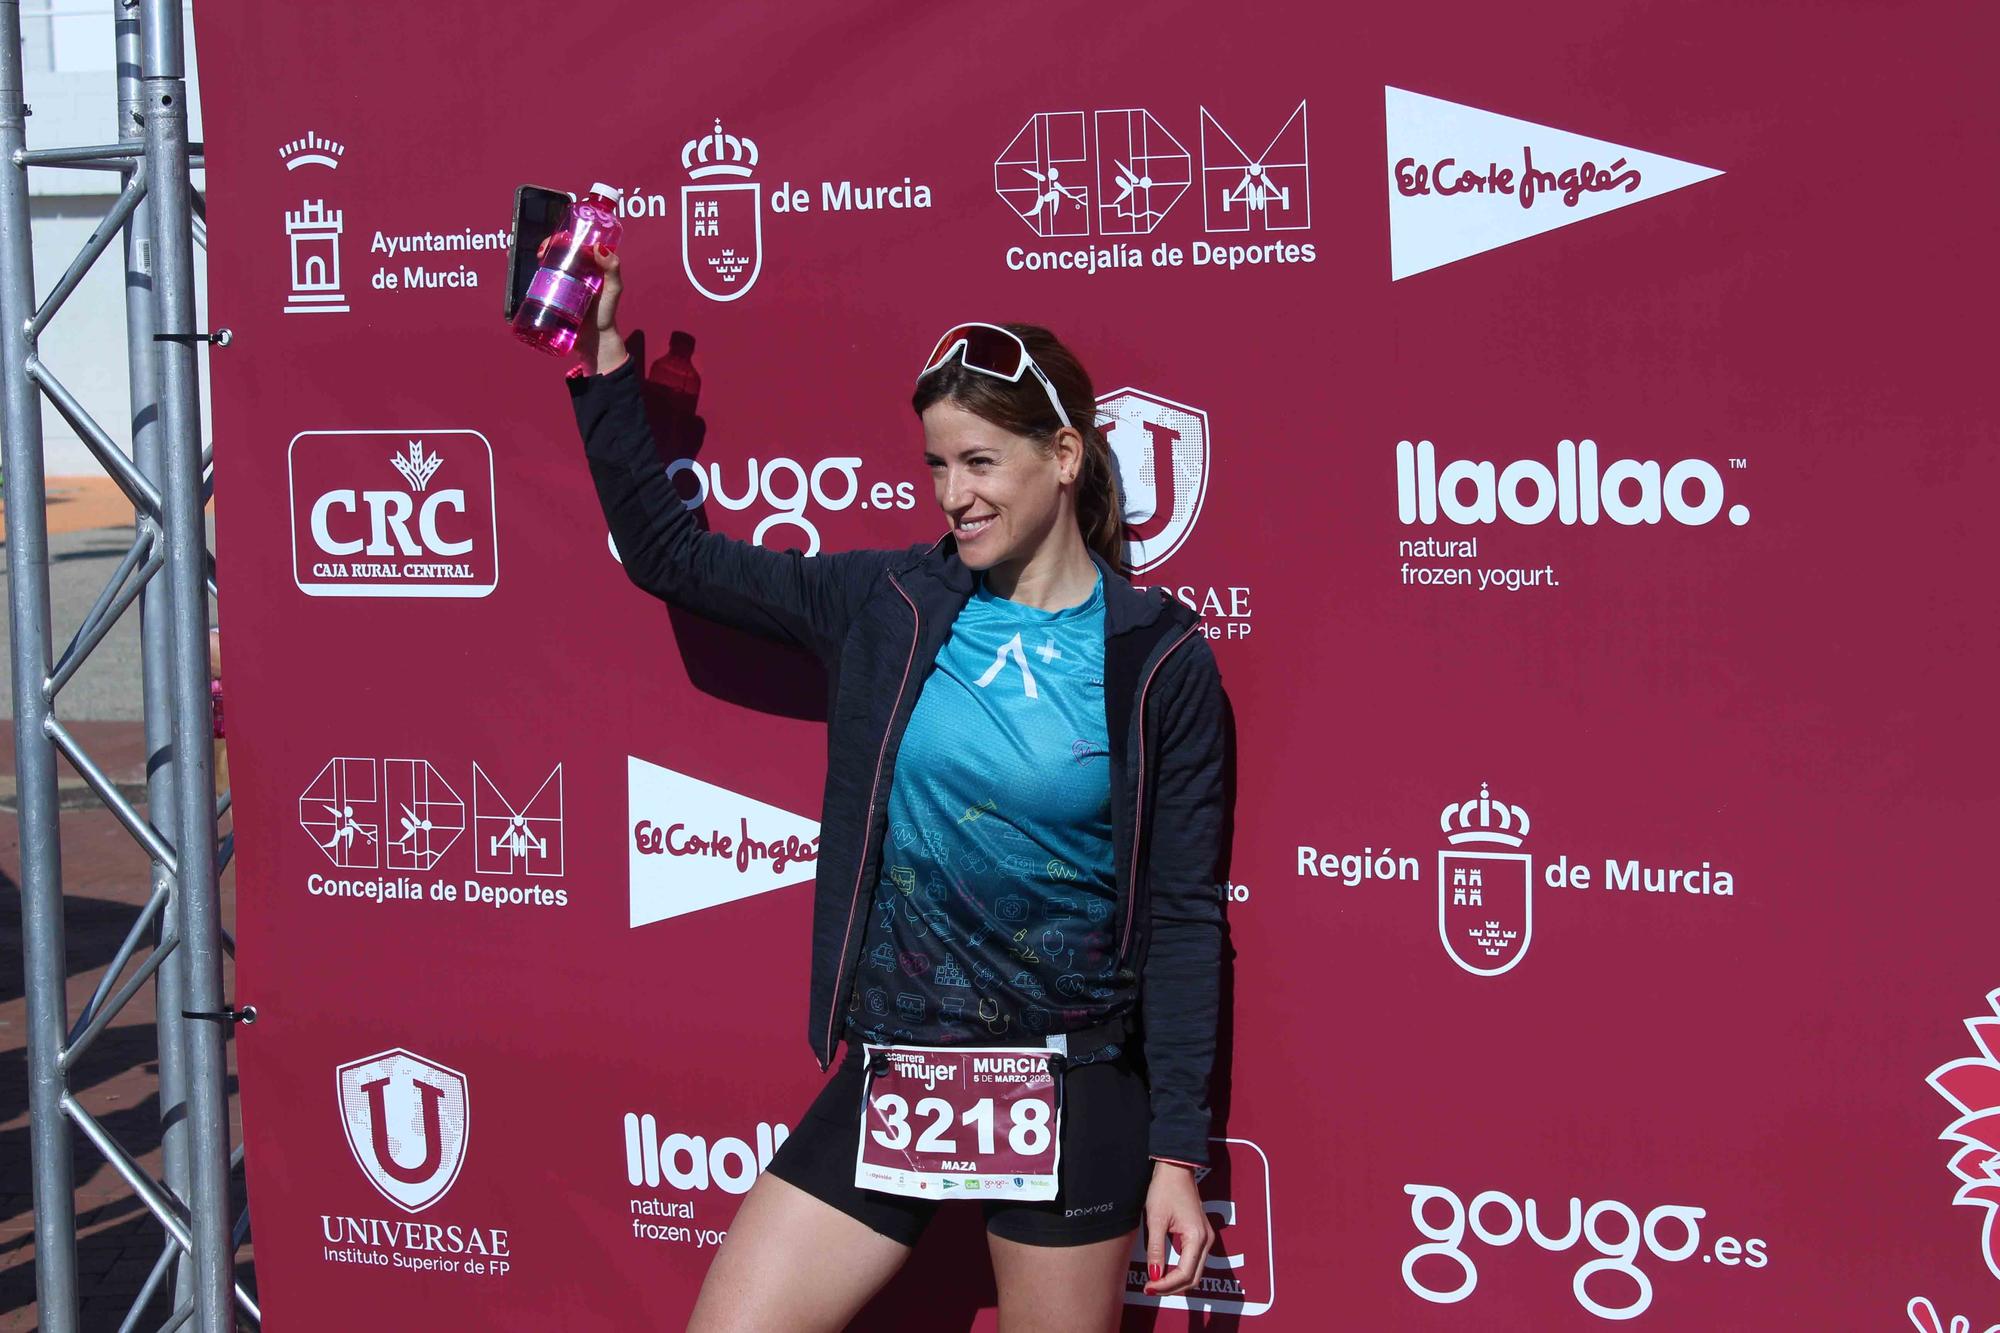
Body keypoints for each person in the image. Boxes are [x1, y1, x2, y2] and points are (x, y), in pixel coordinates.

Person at [563, 245, 1228, 1333]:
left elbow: (1184, 916)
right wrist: (599, 359)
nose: (953, 494)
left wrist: (1175, 1154)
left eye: (979, 462)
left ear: (1064, 456)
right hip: (898, 1076)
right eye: (933, 465)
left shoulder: (1157, 657)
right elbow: (670, 556)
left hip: (1067, 1087)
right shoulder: (888, 602)